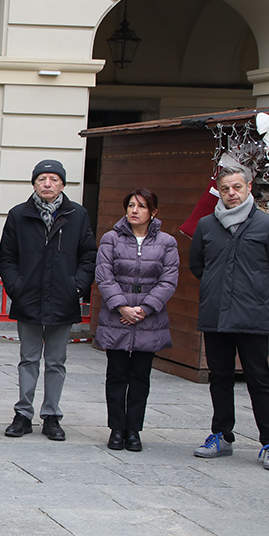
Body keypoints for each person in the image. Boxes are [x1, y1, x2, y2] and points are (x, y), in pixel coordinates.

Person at [190, 164, 269, 471]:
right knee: (219, 377)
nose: (231, 194)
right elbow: (199, 266)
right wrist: (218, 289)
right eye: (225, 189)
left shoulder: (268, 226)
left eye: (237, 187)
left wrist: (255, 292)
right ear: (219, 192)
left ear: (249, 188)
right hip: (216, 316)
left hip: (252, 316)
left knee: (258, 379)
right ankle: (221, 435)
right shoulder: (207, 226)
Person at [0, 159, 96, 441]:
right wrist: (16, 287)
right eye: (42, 179)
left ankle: (52, 415)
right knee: (28, 358)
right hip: (28, 297)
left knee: (56, 361)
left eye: (54, 179)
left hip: (63, 298)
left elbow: (88, 255)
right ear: (34, 184)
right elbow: (7, 257)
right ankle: (23, 414)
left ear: (63, 184)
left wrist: (76, 286)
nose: (48, 184)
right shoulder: (19, 214)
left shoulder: (77, 215)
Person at [94, 189, 179, 452]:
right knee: (116, 375)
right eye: (131, 205)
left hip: (148, 320)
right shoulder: (111, 239)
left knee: (141, 377)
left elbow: (168, 280)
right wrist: (121, 307)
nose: (134, 210)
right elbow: (104, 276)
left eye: (141, 206)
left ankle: (134, 430)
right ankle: (117, 429)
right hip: (116, 319)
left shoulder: (167, 242)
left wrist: (144, 308)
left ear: (153, 212)